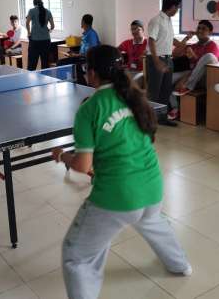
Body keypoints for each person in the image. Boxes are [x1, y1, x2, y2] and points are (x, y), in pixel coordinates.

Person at [52, 45, 191, 299]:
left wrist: (62, 155)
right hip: (153, 189)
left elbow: (83, 166)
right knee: (153, 222)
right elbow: (146, 141)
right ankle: (180, 265)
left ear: (91, 73)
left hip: (117, 199)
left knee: (76, 256)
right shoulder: (136, 98)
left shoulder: (89, 109)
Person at [168, 20, 219, 120]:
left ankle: (188, 85)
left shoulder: (214, 46)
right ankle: (175, 108)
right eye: (198, 28)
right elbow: (175, 54)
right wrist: (187, 38)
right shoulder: (193, 46)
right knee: (166, 80)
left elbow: (208, 62)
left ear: (210, 32)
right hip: (191, 74)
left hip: (206, 77)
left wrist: (194, 57)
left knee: (209, 56)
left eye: (204, 29)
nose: (200, 30)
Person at [147, 0, 183, 127]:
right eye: (177, 8)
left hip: (168, 59)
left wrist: (184, 44)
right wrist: (156, 61)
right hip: (157, 59)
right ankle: (149, 120)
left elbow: (169, 39)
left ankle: (162, 118)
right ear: (172, 6)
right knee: (154, 92)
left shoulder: (168, 20)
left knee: (165, 91)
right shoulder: (156, 20)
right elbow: (151, 40)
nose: (177, 10)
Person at [26, 0, 55, 70]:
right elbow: (52, 26)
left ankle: (29, 80)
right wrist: (48, 31)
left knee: (32, 64)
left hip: (34, 41)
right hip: (46, 41)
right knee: (45, 64)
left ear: (34, 4)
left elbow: (27, 23)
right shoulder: (48, 11)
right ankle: (45, 80)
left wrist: (29, 33)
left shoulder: (32, 11)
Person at [118, 20, 147, 86]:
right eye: (132, 29)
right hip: (129, 70)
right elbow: (116, 50)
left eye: (137, 29)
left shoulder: (148, 43)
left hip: (142, 72)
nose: (134, 31)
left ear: (142, 30)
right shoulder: (127, 42)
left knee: (131, 84)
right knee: (116, 81)